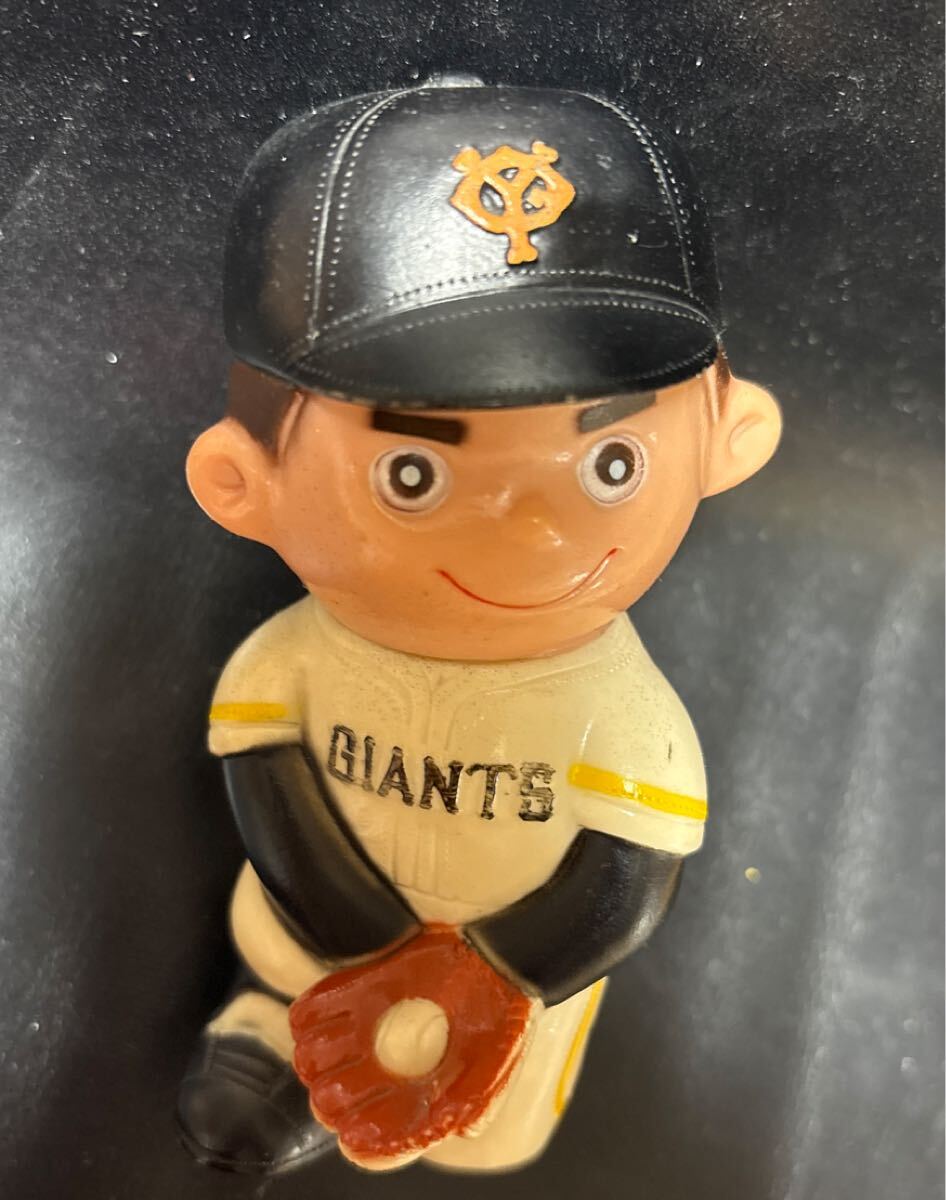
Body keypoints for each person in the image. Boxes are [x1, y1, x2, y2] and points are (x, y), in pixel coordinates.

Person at [178, 76, 781, 1175]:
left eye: (610, 462)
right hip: (315, 943)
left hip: (509, 997)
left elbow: (621, 881)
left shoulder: (624, 718)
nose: (535, 531)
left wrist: (479, 974)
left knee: (490, 1126)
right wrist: (371, 950)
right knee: (286, 983)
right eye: (412, 472)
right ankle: (273, 1044)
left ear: (728, 442)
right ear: (240, 484)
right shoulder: (292, 659)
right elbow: (272, 795)